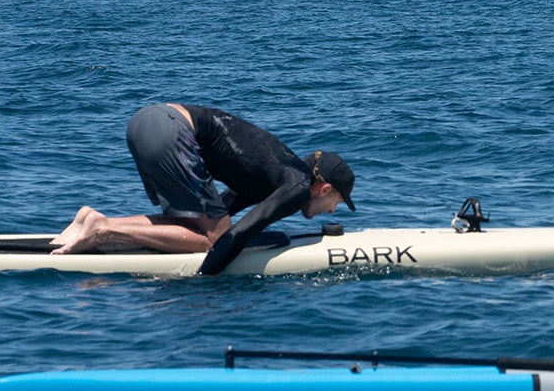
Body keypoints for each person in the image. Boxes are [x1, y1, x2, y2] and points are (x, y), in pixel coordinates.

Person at [48, 103, 355, 275]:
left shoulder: (275, 173)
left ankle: (88, 220)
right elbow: (235, 235)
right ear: (324, 188)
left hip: (144, 121)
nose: (332, 210)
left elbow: (216, 216)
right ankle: (103, 228)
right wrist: (204, 278)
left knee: (200, 228)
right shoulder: (299, 187)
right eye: (337, 201)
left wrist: (203, 239)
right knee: (212, 237)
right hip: (174, 130)